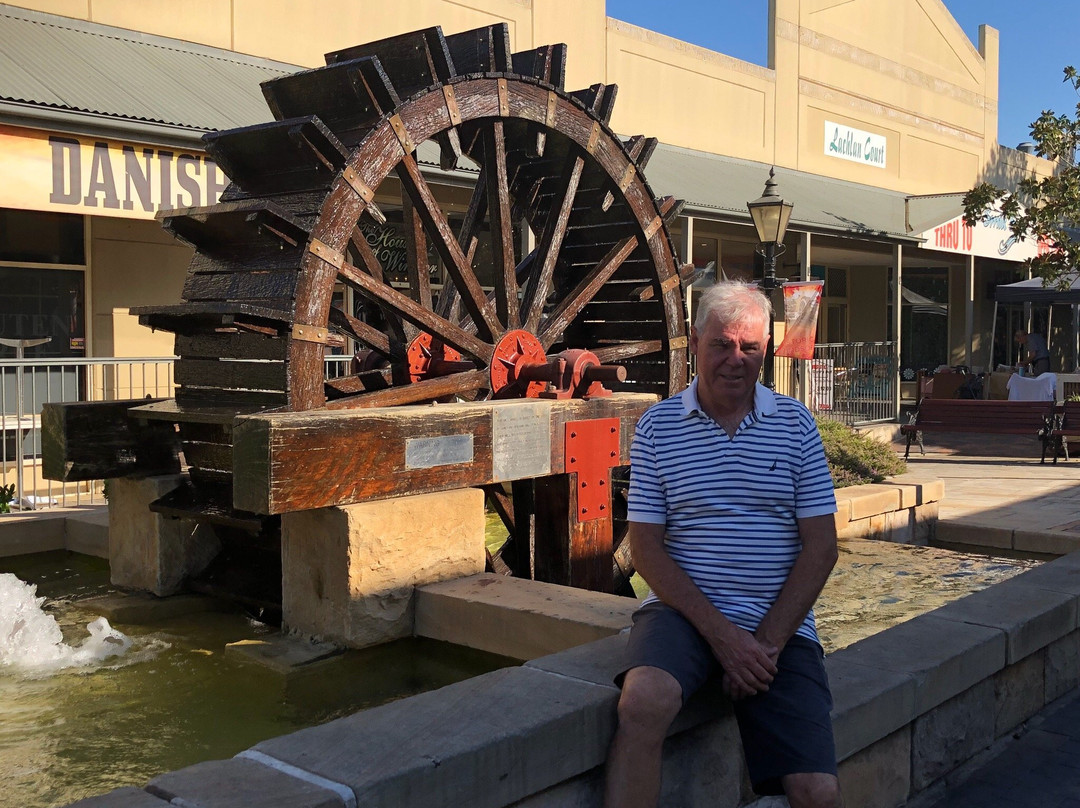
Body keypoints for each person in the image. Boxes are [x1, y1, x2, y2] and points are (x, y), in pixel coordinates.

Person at [603, 280, 842, 808]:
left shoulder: (796, 425)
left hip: (778, 624)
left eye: (750, 347)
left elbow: (821, 549)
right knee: (642, 702)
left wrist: (765, 645)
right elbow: (646, 548)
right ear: (694, 341)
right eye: (722, 344)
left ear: (766, 349)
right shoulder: (658, 428)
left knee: (818, 793)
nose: (736, 359)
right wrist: (725, 640)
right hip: (682, 615)